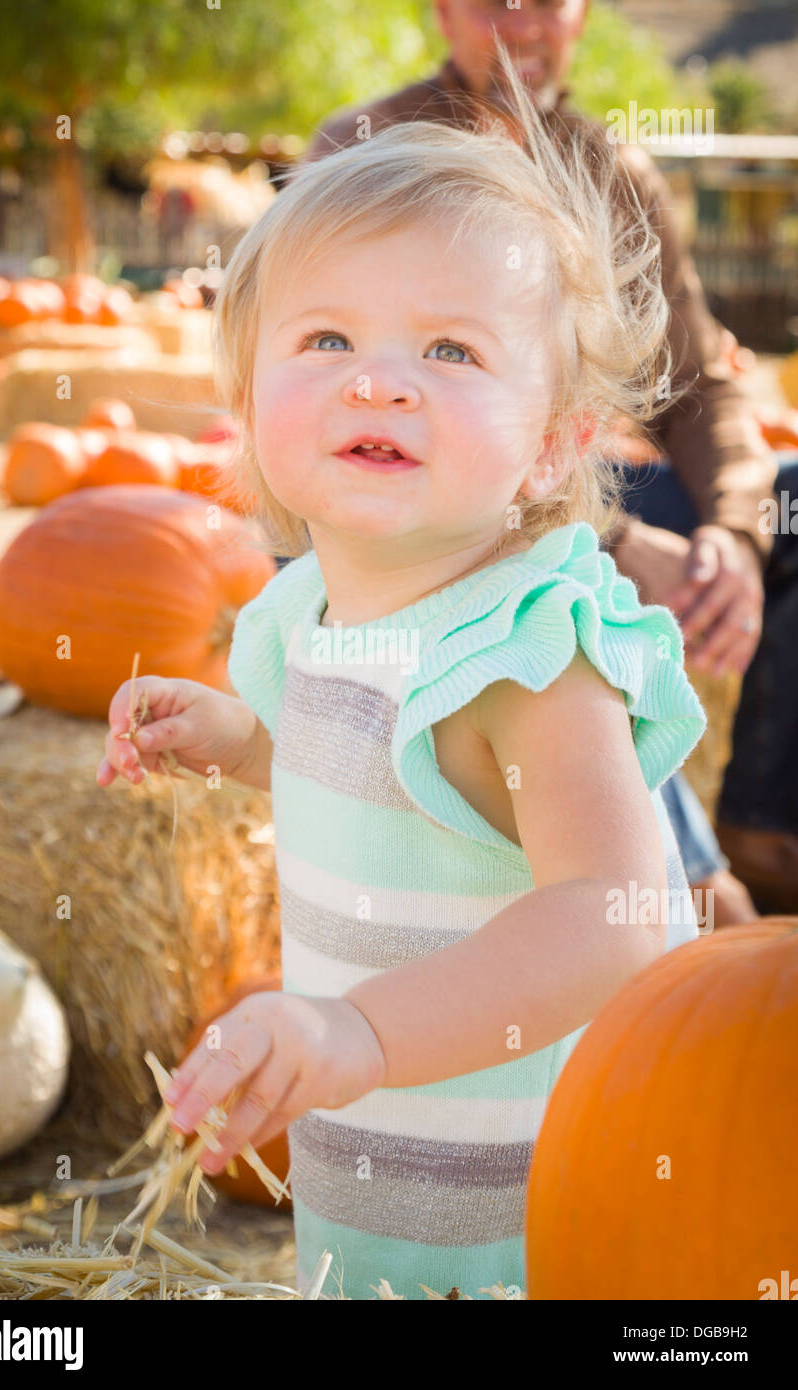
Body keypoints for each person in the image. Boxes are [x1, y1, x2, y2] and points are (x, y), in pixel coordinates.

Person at [98, 48, 708, 1297]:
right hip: (366, 1210)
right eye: (326, 337)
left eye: (448, 349)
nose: (377, 378)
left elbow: (614, 910)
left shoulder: (528, 651)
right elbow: (375, 767)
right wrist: (232, 735)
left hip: (526, 1235)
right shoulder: (306, 606)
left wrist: (355, 1031)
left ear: (551, 447)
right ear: (247, 392)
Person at [292, 0, 798, 917]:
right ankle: (681, 879)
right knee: (547, 601)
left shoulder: (615, 173)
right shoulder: (367, 152)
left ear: (583, 16)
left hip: (563, 485)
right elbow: (407, 431)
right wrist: (609, 537)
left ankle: (766, 833)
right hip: (419, 513)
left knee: (789, 505)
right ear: (443, 12)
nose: (520, 20)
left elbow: (699, 383)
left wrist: (734, 536)